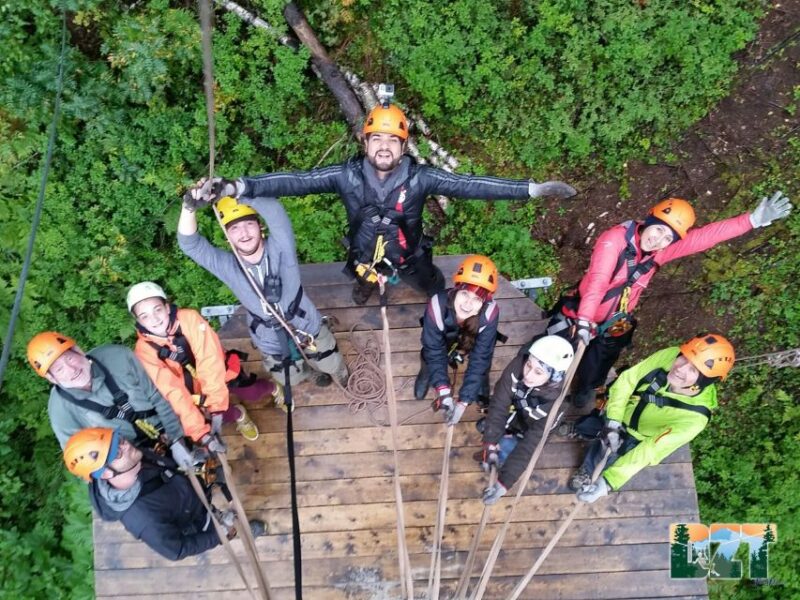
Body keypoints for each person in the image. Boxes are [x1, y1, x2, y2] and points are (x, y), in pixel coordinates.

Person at [187, 99, 576, 305]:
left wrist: (530, 189)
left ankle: (435, 297)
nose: (385, 147)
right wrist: (236, 186)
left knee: (430, 282)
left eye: (393, 140)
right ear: (366, 142)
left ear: (404, 146)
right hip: (363, 254)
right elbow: (297, 181)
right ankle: (365, 290)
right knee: (363, 282)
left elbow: (469, 185)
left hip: (409, 256)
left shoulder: (421, 178)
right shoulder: (346, 176)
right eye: (378, 139)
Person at [538, 191, 791, 408]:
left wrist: (751, 221)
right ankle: (541, 386)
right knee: (554, 352)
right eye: (658, 229)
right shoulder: (614, 240)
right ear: (650, 220)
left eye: (668, 238)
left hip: (616, 319)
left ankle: (587, 386)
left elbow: (703, 238)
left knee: (602, 358)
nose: (658, 240)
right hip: (582, 312)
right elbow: (598, 280)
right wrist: (584, 321)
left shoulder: (660, 251)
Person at [178, 194, 348, 390]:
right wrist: (189, 206)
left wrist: (239, 191)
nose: (244, 233)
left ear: (261, 227)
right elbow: (190, 244)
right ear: (227, 237)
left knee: (329, 360)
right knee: (290, 376)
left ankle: (337, 369)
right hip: (267, 334)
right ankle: (308, 373)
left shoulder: (281, 247)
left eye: (249, 224)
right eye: (234, 228)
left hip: (304, 321)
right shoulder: (227, 266)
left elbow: (276, 214)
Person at [571, 333, 735, 503]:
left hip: (637, 436)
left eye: (693, 370)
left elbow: (650, 451)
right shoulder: (671, 355)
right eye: (684, 358)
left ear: (703, 382)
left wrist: (608, 482)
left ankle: (591, 473)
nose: (680, 368)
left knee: (611, 454)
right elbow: (629, 379)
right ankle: (587, 465)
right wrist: (613, 421)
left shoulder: (694, 420)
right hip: (622, 410)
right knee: (602, 441)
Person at [63, 427, 267, 561]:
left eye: (119, 439)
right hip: (194, 521)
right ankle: (237, 531)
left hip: (189, 493)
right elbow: (176, 550)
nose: (126, 445)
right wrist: (218, 534)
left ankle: (222, 518)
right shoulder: (144, 520)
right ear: (106, 473)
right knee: (222, 527)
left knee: (214, 506)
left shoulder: (135, 457)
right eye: (116, 452)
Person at [127, 281, 278, 444]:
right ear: (138, 321)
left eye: (157, 310)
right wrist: (198, 432)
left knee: (252, 392)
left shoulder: (189, 319)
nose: (154, 319)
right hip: (194, 393)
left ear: (167, 307)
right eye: (145, 316)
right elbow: (172, 391)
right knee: (219, 417)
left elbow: (209, 359)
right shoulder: (144, 351)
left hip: (221, 372)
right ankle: (239, 415)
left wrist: (216, 405)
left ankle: (275, 389)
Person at [28, 331, 192, 468]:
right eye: (59, 369)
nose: (71, 370)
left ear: (79, 351)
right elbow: (81, 459)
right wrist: (126, 470)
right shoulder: (61, 409)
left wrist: (176, 439)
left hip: (169, 428)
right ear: (52, 379)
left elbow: (158, 395)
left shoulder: (117, 357)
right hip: (129, 459)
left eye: (69, 359)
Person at [479, 335, 575, 504]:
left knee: (508, 451)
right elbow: (499, 405)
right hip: (512, 414)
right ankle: (501, 439)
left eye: (538, 372)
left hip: (526, 430)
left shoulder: (556, 405)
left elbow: (531, 444)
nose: (528, 375)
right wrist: (490, 443)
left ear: (554, 377)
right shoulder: (517, 367)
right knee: (488, 430)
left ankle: (507, 442)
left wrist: (503, 484)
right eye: (529, 365)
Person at [416, 255, 501, 426]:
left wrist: (464, 400)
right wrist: (443, 390)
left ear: (484, 302)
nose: (467, 304)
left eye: (477, 299)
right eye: (464, 294)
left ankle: (480, 384)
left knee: (484, 361)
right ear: (456, 289)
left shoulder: (489, 314)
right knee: (428, 354)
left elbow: (480, 357)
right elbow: (434, 349)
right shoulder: (437, 305)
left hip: (471, 338)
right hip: (444, 337)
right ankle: (427, 375)